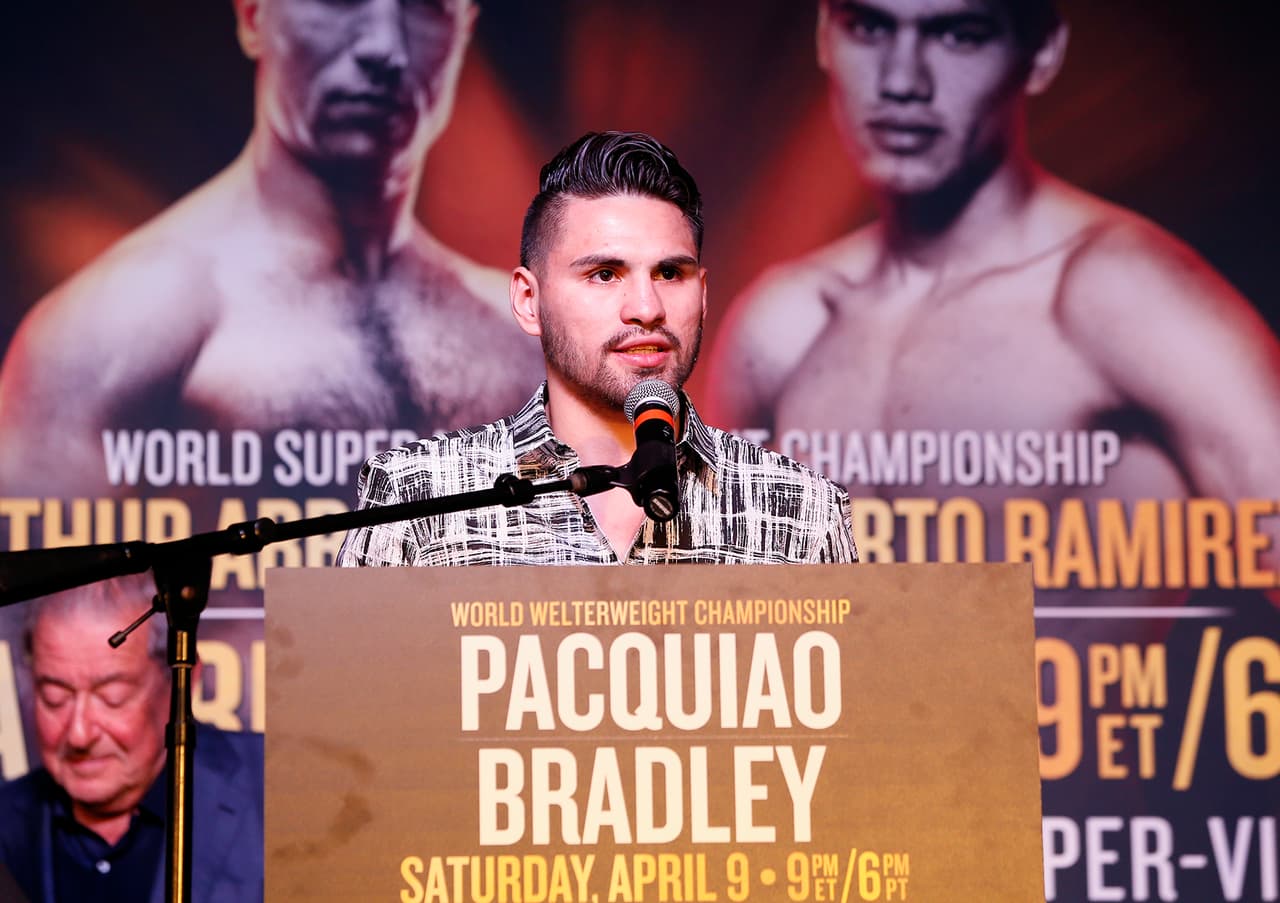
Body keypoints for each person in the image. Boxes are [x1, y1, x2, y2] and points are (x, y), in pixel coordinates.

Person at [704, 0, 1280, 625]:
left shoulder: (1122, 296)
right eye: (868, 27)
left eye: (959, 34)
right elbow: (716, 630)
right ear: (824, 36)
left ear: (1041, 53)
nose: (901, 81)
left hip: (1055, 725)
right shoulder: (782, 325)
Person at [0, 0, 541, 496]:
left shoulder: (521, 337)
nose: (384, 46)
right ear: (254, 15)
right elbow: (32, 591)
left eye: (422, 8)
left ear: (464, 26)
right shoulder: (108, 332)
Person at [338, 131, 856, 566]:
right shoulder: (419, 502)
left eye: (670, 273)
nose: (646, 307)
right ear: (528, 300)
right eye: (605, 274)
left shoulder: (803, 515)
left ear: (702, 296)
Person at [0, 574, 264, 903]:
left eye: (113, 696)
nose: (79, 734)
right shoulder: (7, 820)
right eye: (54, 697)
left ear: (181, 680)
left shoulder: (279, 787)